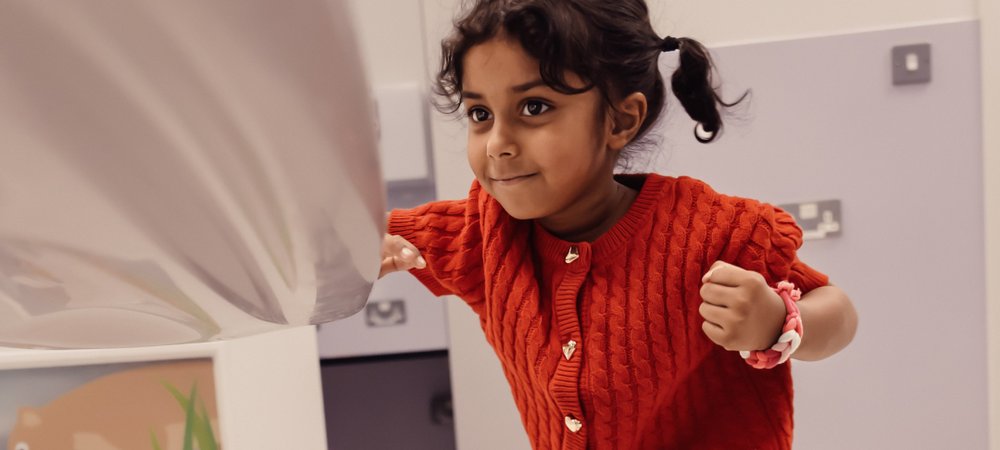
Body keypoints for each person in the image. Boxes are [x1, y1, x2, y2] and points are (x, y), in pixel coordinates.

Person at [378, 1, 858, 449]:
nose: (497, 144)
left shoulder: (710, 233)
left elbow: (838, 314)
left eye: (534, 108)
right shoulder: (482, 233)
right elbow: (360, 236)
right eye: (480, 114)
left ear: (620, 120)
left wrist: (776, 323)